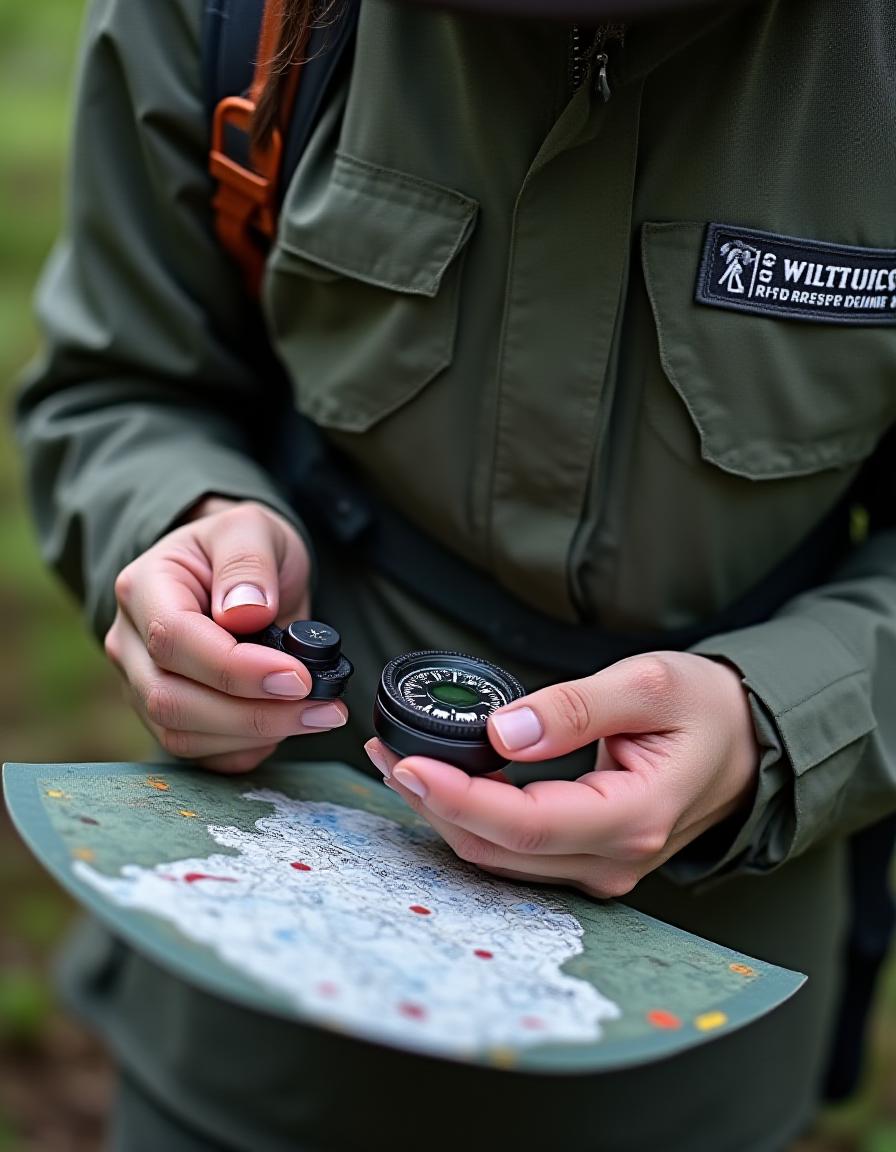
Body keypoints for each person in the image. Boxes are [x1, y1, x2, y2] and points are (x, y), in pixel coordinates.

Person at [15, 0, 896, 1148]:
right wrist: (181, 518)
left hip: (694, 1052)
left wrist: (779, 720)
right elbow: (119, 382)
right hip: (247, 1017)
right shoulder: (234, 19)